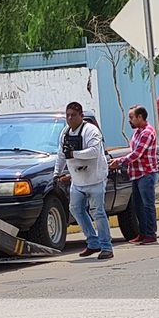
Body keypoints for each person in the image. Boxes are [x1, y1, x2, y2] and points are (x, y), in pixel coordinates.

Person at [53, 101, 113, 259]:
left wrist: (74, 154)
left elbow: (94, 152)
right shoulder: (65, 133)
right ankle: (93, 242)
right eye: (67, 115)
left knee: (97, 212)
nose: (70, 118)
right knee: (75, 209)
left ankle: (106, 247)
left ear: (81, 116)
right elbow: (61, 154)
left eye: (73, 115)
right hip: (78, 181)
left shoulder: (91, 131)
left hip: (95, 179)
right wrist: (56, 173)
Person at [108, 105, 159, 244]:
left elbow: (137, 154)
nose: (129, 120)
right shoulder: (137, 132)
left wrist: (119, 161)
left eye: (131, 117)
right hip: (136, 174)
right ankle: (142, 233)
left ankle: (150, 233)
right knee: (138, 206)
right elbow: (132, 151)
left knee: (148, 205)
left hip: (146, 173)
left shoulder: (147, 133)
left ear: (140, 117)